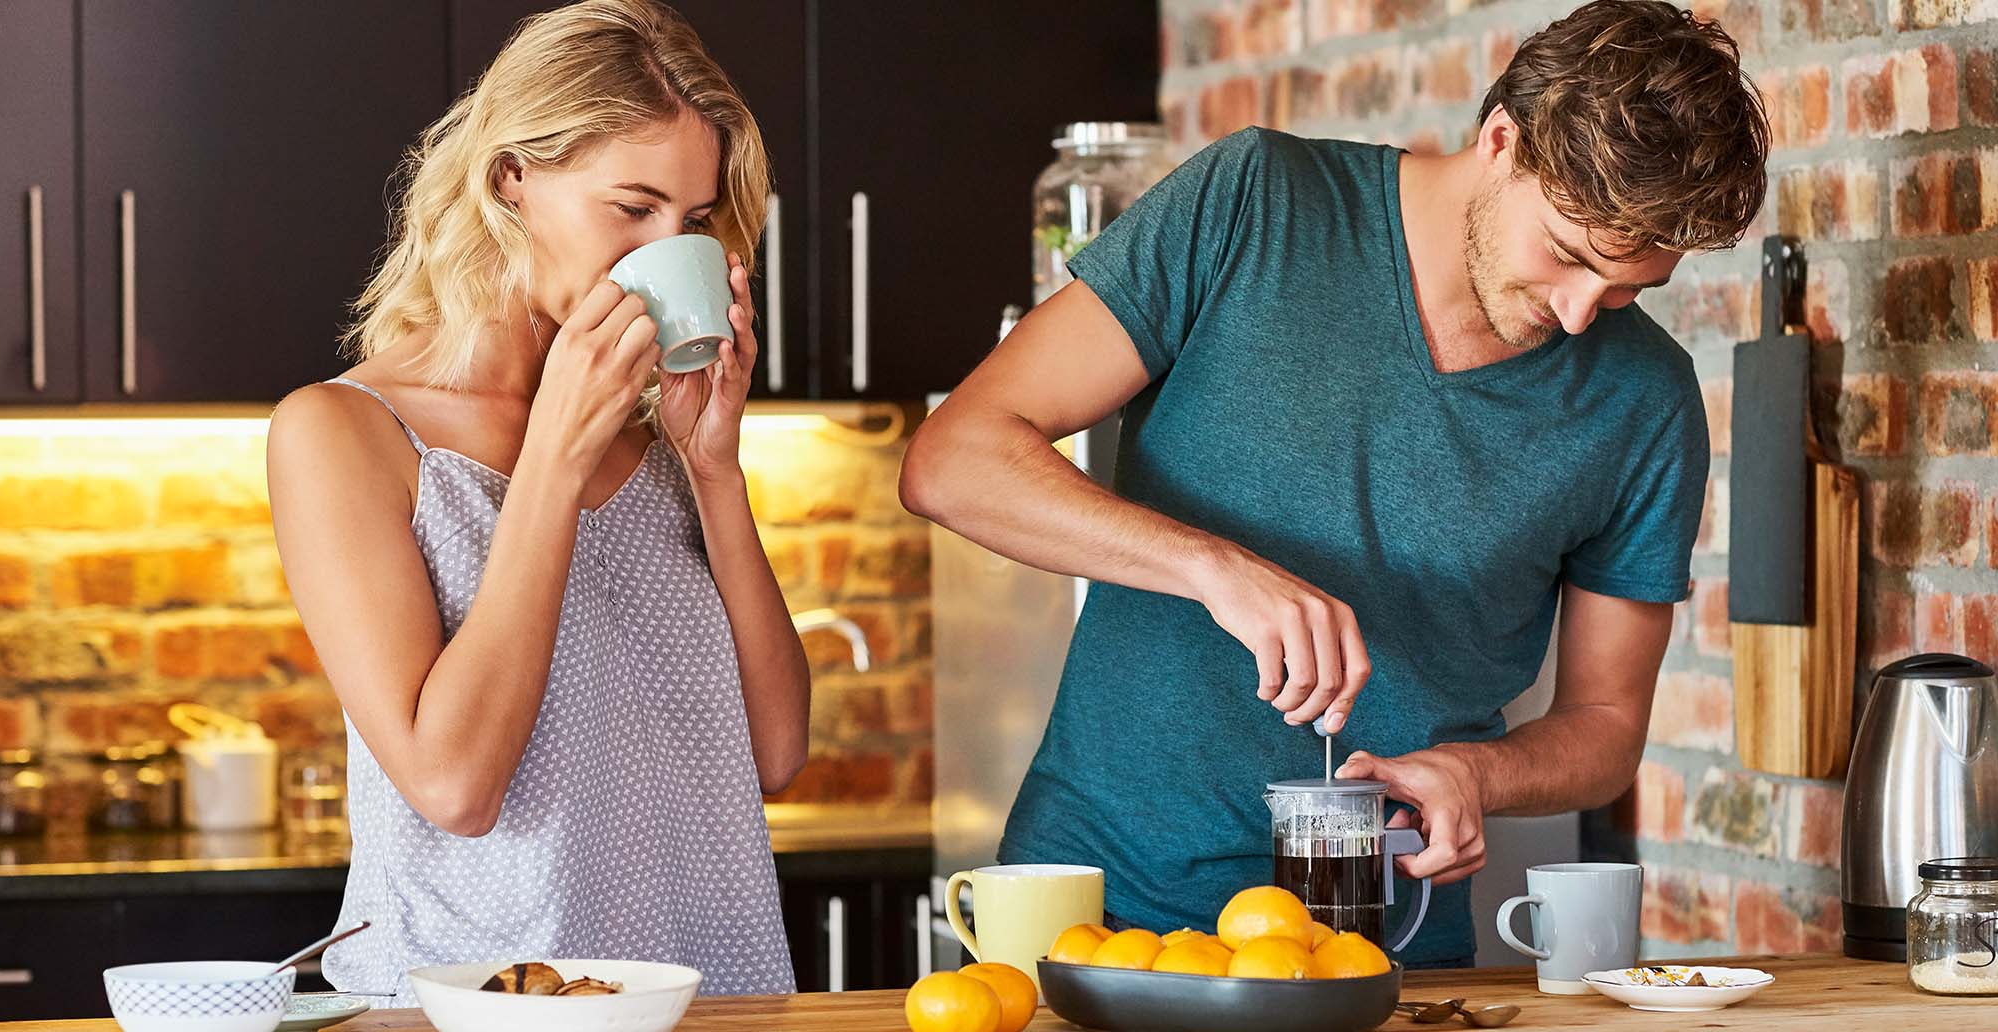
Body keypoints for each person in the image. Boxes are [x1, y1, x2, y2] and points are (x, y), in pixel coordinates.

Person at [899, 0, 1767, 967]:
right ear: (1501, 140)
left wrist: (1477, 774)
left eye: (1625, 290)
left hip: (1376, 952)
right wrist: (1214, 568)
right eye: (1566, 255)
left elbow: (1605, 728)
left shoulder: (1645, 402)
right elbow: (951, 459)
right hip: (1097, 917)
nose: (1577, 317)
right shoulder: (1257, 203)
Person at [266, 0, 803, 1002]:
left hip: (706, 998)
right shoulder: (343, 433)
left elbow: (775, 753)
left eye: (687, 222)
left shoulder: (665, 441)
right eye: (631, 207)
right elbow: (454, 787)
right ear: (511, 177)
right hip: (472, 1006)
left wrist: (717, 471)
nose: (659, 248)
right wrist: (553, 455)